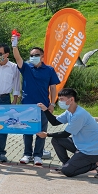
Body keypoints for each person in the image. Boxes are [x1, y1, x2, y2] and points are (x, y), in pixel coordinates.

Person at [36, 88, 98, 177]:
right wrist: (45, 110)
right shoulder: (69, 112)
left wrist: (46, 134)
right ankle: (67, 164)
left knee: (67, 172)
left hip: (92, 151)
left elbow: (66, 134)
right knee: (56, 140)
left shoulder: (79, 115)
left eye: (62, 99)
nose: (60, 102)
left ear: (71, 100)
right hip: (81, 145)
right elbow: (54, 122)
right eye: (59, 99)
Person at [12, 38, 59, 166]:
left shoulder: (49, 70)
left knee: (40, 130)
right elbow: (17, 58)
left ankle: (38, 155)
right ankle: (27, 154)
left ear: (42, 56)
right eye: (32, 55)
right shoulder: (26, 67)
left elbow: (53, 87)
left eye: (36, 55)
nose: (33, 57)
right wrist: (14, 44)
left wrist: (52, 104)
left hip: (43, 106)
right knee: (27, 130)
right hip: (27, 106)